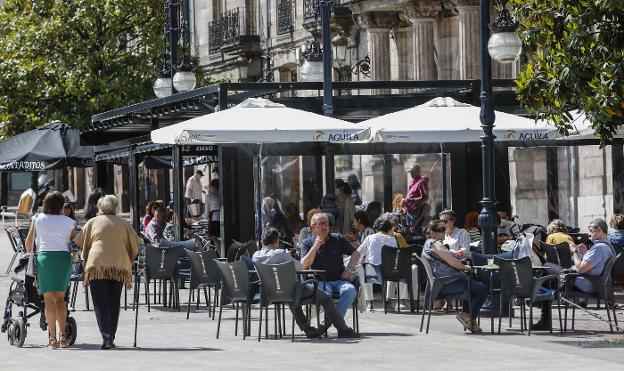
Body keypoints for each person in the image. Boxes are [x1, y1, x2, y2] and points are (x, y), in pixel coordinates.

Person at [252, 228, 359, 338]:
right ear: (276, 242)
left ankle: (307, 328)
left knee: (290, 296)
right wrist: (288, 256)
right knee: (326, 298)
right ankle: (342, 329)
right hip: (292, 291)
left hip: (269, 293)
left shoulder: (255, 256)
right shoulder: (280, 254)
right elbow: (301, 266)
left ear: (262, 242)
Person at [75, 195, 140, 349]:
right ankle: (110, 336)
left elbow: (80, 242)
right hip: (118, 265)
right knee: (114, 301)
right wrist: (129, 258)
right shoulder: (124, 223)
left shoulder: (92, 222)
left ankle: (107, 337)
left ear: (99, 207)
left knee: (100, 303)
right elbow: (135, 245)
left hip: (97, 265)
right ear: (115, 207)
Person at [24, 191, 78, 348]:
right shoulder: (68, 221)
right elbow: (75, 243)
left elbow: (28, 244)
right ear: (61, 205)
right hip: (63, 260)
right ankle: (63, 337)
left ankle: (52, 338)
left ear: (45, 203)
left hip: (45, 260)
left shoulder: (37, 219)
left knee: (48, 300)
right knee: (61, 299)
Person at [421, 220, 488, 332]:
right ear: (432, 232)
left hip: (440, 284)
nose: (443, 232)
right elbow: (453, 262)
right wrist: (467, 268)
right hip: (445, 285)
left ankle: (468, 316)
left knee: (473, 284)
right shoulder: (435, 244)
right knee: (482, 289)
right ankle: (468, 316)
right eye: (440, 230)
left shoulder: (428, 244)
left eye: (444, 229)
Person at [300, 213, 360, 318]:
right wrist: (315, 247)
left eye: (326, 224)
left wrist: (349, 270)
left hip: (339, 280)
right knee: (325, 294)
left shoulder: (337, 238)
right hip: (320, 282)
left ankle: (330, 320)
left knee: (350, 291)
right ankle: (335, 321)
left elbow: (356, 254)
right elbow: (304, 265)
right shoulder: (307, 243)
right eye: (321, 224)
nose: (325, 227)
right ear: (313, 227)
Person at [357, 213, 419, 311]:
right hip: (390, 273)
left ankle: (369, 301)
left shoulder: (370, 238)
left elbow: (359, 253)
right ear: (389, 228)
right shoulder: (392, 239)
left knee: (362, 268)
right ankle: (389, 301)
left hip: (372, 272)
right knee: (395, 268)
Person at [568, 218, 615, 294]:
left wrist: (575, 251)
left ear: (599, 230)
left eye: (591, 231)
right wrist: (586, 252)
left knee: (548, 268)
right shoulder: (607, 246)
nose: (589, 234)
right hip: (594, 283)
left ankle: (545, 303)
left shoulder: (599, 248)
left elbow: (580, 269)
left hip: (586, 284)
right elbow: (596, 263)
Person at [402, 164, 430, 232]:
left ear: (417, 171)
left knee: (416, 231)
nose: (410, 173)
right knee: (410, 231)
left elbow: (425, 197)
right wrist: (405, 201)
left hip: (416, 212)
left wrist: (411, 200)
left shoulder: (421, 182)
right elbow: (411, 196)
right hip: (409, 211)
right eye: (409, 172)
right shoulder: (412, 182)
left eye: (412, 171)